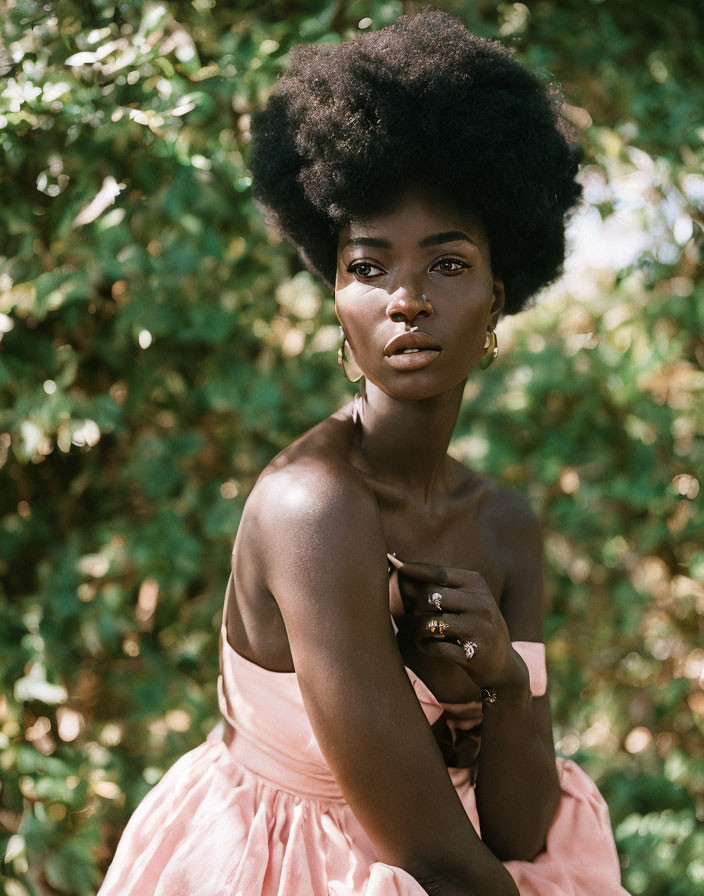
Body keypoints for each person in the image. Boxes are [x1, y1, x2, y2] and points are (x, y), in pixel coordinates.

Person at [99, 10, 630, 895]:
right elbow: (425, 853)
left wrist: (502, 680)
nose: (408, 300)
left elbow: (526, 827)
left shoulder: (502, 527)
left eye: (447, 265)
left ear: (499, 297)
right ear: (337, 294)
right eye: (371, 267)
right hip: (275, 866)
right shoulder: (313, 506)